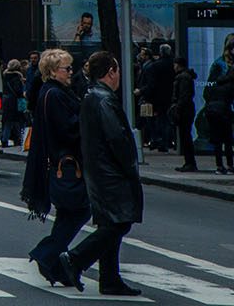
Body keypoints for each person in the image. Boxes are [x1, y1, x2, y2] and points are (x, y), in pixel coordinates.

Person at [57, 51, 143, 296]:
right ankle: (76, 259)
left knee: (110, 221)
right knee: (119, 222)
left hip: (98, 170)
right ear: (111, 72)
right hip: (111, 173)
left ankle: (109, 278)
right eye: (117, 71)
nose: (119, 77)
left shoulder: (91, 96)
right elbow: (117, 138)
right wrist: (129, 166)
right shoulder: (104, 99)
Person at [23, 49, 87, 286]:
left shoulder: (52, 92)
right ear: (52, 71)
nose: (71, 72)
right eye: (66, 69)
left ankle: (53, 264)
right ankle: (47, 254)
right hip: (65, 163)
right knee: (80, 209)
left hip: (62, 162)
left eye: (71, 68)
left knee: (68, 214)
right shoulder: (55, 95)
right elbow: (67, 130)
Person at [203, 35, 234, 175]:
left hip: (213, 111)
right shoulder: (221, 67)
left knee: (218, 141)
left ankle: (220, 166)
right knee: (229, 141)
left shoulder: (228, 72)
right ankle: (229, 166)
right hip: (224, 113)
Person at [171, 57, 199, 171]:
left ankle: (190, 163)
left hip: (184, 110)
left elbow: (184, 96)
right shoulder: (186, 77)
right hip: (186, 109)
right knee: (185, 136)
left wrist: (177, 108)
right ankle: (189, 162)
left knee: (185, 136)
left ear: (178, 65)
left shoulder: (183, 78)